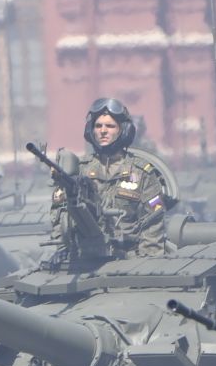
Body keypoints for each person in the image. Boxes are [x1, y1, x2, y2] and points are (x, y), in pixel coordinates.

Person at [51, 97, 171, 261]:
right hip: (85, 261)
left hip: (129, 262)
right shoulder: (79, 171)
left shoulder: (142, 173)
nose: (103, 131)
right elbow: (60, 217)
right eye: (98, 126)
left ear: (124, 130)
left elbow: (153, 224)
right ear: (90, 130)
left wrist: (146, 266)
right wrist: (62, 248)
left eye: (110, 126)